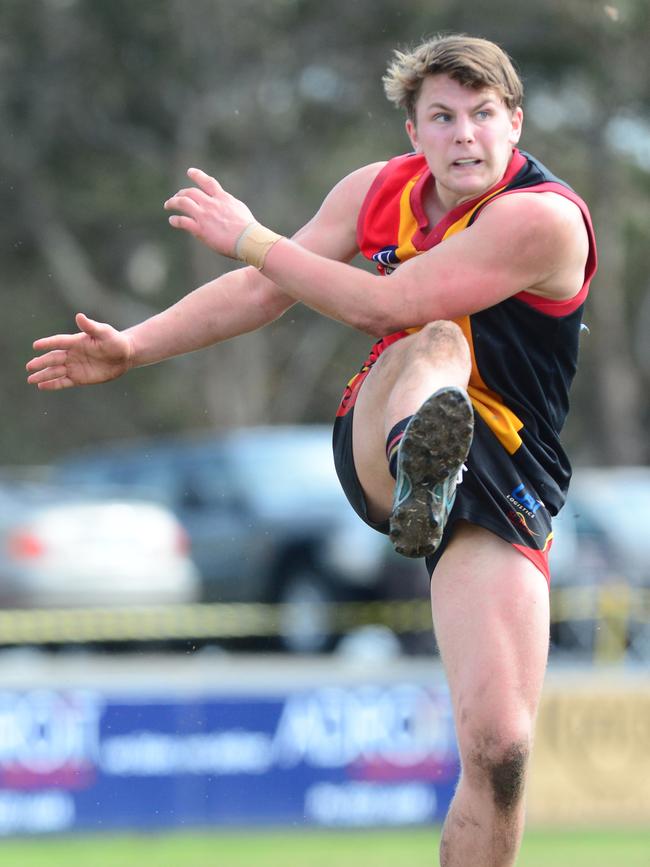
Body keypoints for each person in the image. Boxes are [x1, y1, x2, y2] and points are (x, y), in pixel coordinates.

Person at [27, 34, 596, 867]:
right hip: (386, 428)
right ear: (413, 131)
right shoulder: (376, 190)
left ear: (516, 121)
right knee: (436, 342)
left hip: (508, 471)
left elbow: (383, 295)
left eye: (483, 115)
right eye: (442, 116)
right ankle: (419, 463)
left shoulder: (540, 218)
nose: (465, 134)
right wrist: (134, 347)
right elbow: (268, 291)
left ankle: (432, 476)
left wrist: (253, 236)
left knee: (501, 748)